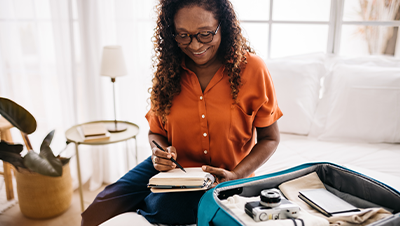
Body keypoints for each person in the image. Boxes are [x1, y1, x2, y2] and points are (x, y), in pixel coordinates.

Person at [81, 0, 282, 225]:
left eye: (205, 34)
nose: (195, 45)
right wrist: (159, 152)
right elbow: (155, 133)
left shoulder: (252, 69)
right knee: (97, 209)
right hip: (174, 169)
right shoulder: (169, 69)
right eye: (183, 35)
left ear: (222, 26)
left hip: (223, 176)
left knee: (164, 209)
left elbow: (270, 138)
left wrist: (236, 176)